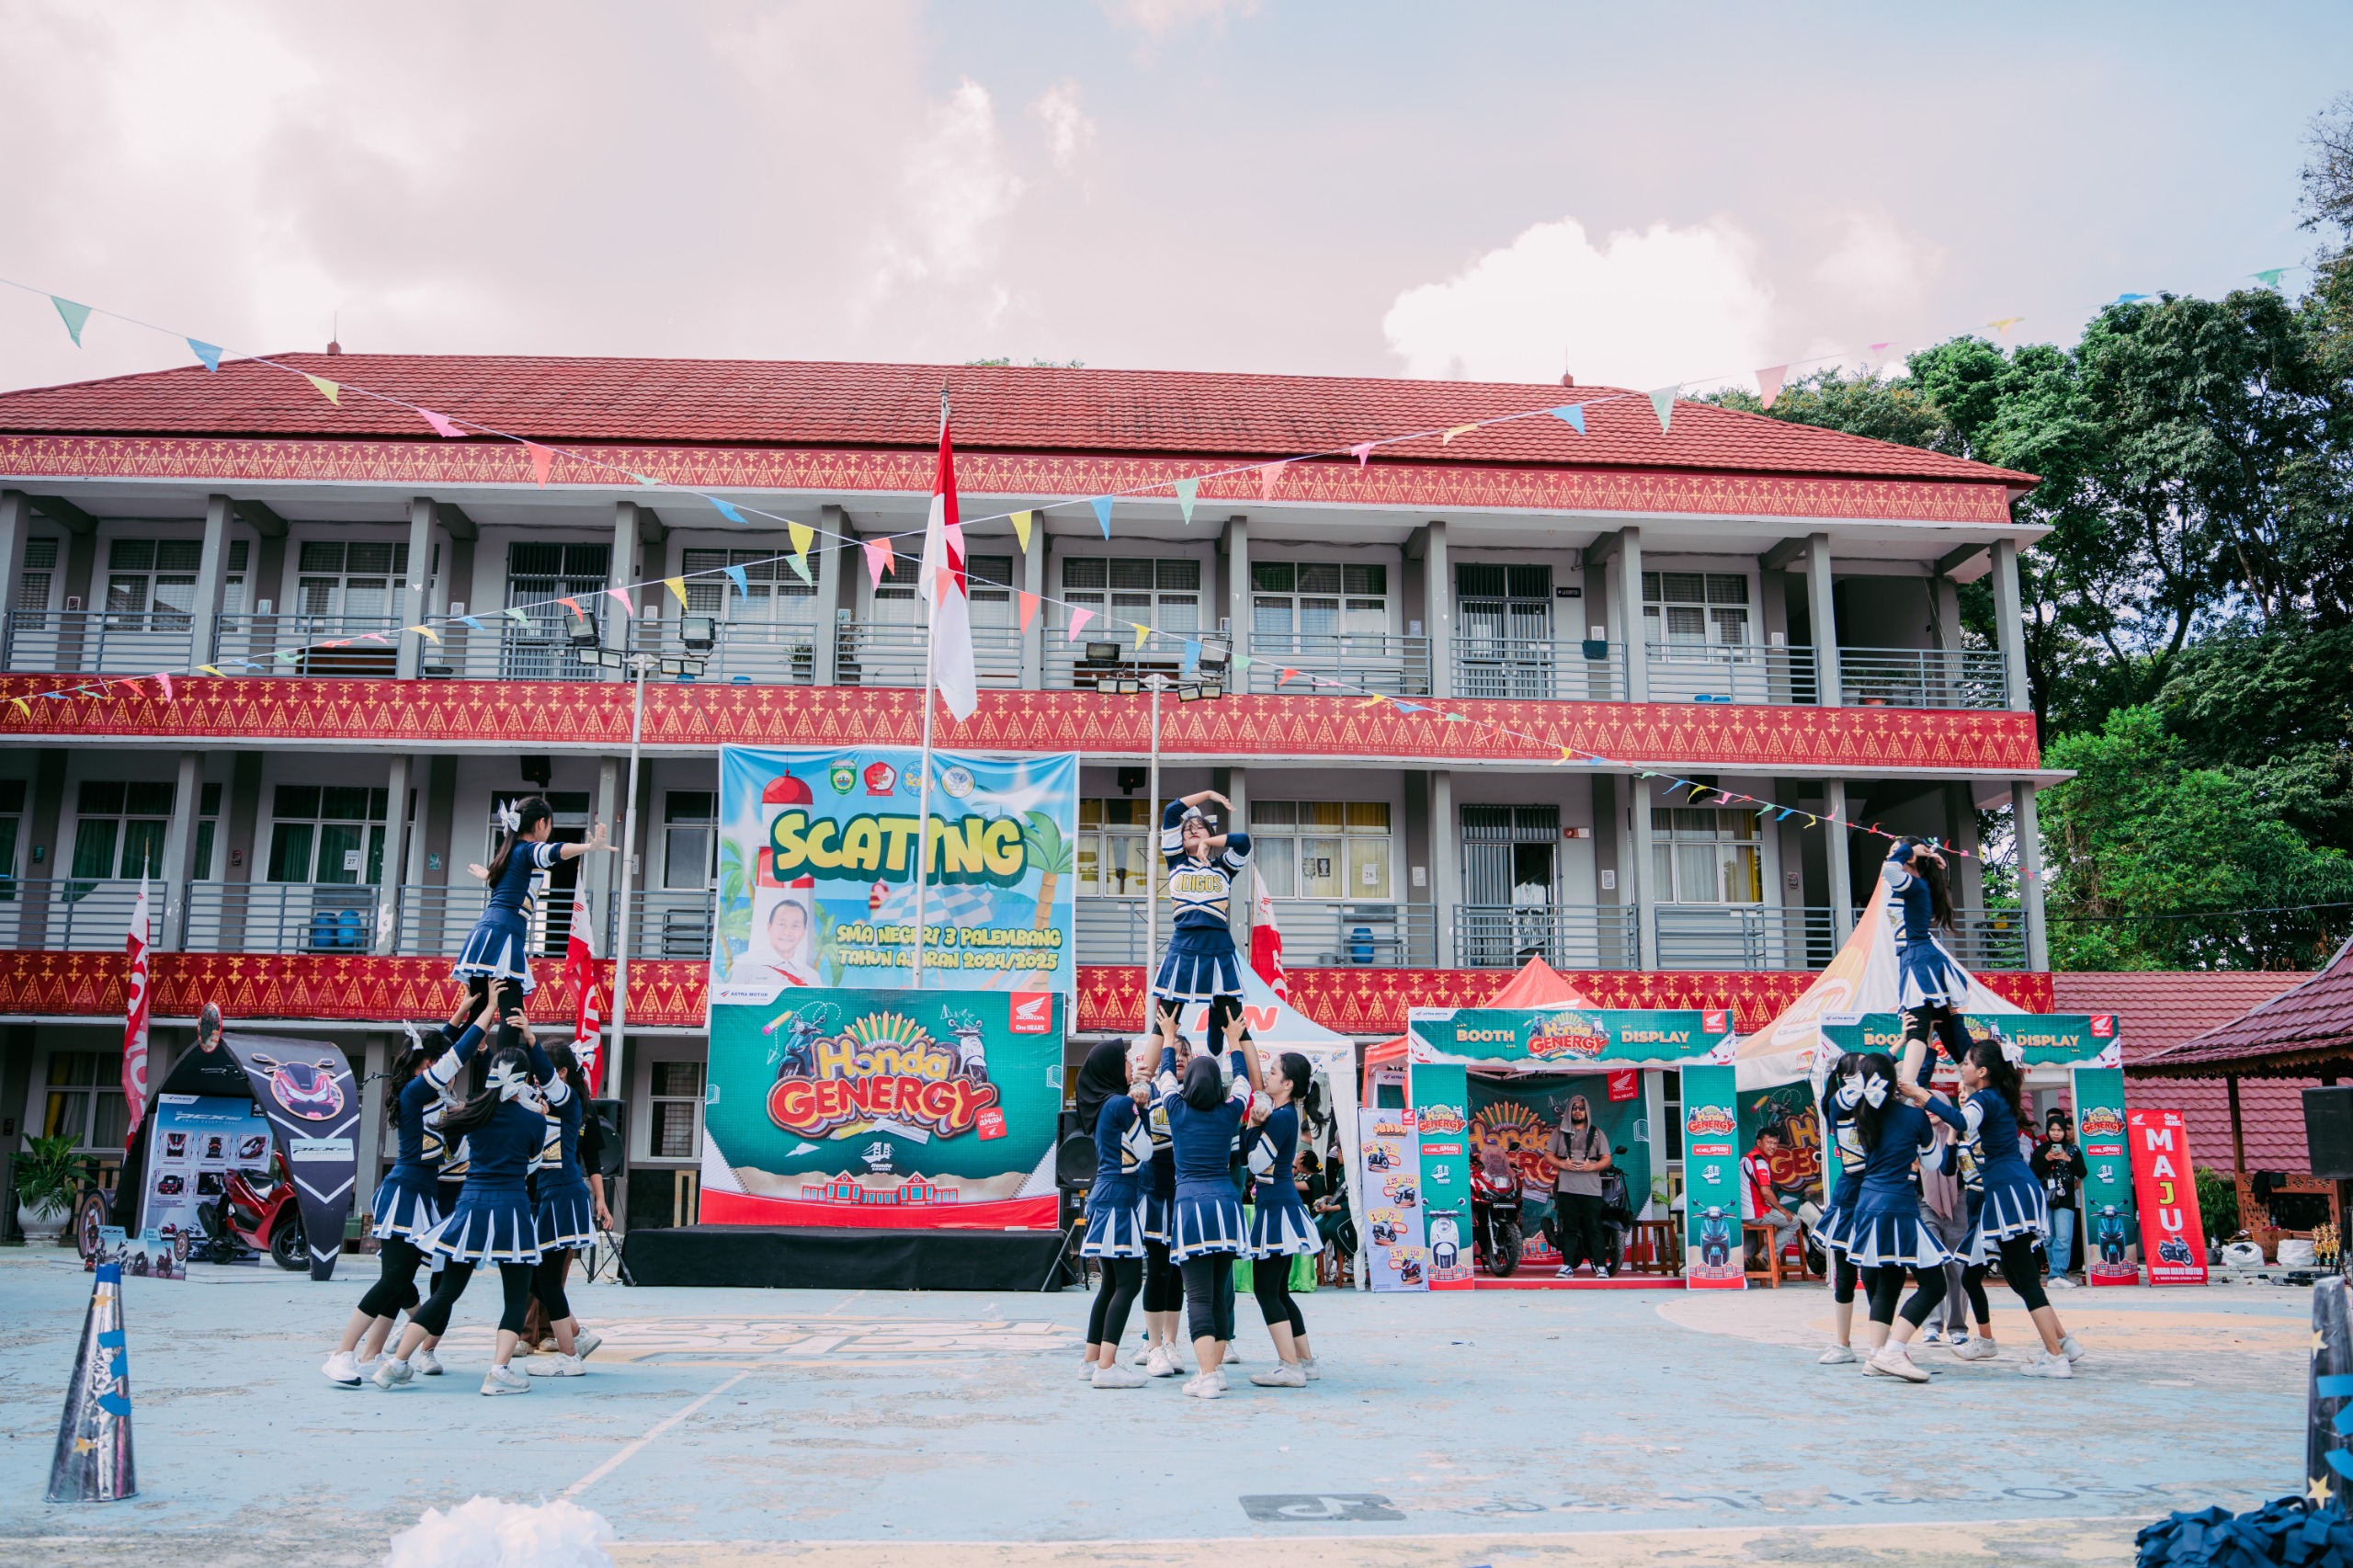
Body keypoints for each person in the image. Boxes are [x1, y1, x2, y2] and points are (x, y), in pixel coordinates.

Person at [373, 1028, 564, 1396]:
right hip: (511, 1210)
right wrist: (536, 1109)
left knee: (446, 1292)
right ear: (524, 1080)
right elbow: (534, 1165)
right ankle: (498, 1372)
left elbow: (444, 1139)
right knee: (514, 1295)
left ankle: (395, 1363)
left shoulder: (470, 1111)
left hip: (470, 1206)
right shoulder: (535, 1120)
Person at [322, 987, 494, 1387]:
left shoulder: (426, 1091)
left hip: (421, 1196)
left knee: (399, 1279)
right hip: (405, 1195)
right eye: (436, 1064)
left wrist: (462, 1013)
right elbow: (454, 1055)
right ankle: (342, 1353)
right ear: (425, 1066)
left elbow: (445, 1049)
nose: (446, 1071)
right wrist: (488, 1014)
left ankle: (381, 1349)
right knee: (394, 1280)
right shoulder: (417, 1093)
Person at [1951, 1040, 2086, 1378]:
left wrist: (1922, 1097)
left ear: (1982, 1073)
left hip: (2007, 1195)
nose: (1961, 1068)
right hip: (2011, 1192)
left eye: (1966, 1063)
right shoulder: (1995, 1097)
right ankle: (2063, 1343)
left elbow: (1959, 1120)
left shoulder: (1984, 1099)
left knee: (2025, 1280)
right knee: (2016, 1275)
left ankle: (2055, 1357)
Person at [1154, 1035, 1265, 1400]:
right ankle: (1213, 1371)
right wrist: (1235, 1041)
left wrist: (1168, 1039)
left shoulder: (1177, 1110)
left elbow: (1166, 1075)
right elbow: (1245, 1080)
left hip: (1190, 1206)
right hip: (1226, 1205)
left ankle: (1205, 1376)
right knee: (1217, 1293)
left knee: (1198, 1297)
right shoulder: (1230, 1111)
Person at [1847, 1053, 1966, 1383]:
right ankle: (1893, 1351)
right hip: (1899, 1204)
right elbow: (1933, 1164)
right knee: (1934, 1284)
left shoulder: (1859, 1116)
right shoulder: (1914, 1118)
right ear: (1894, 1082)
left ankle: (1875, 1355)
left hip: (1867, 1205)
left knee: (1888, 1281)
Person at [454, 797, 612, 1003]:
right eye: (550, 824)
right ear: (541, 823)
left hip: (490, 930)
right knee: (513, 1017)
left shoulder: (510, 852)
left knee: (480, 1013)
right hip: (504, 932)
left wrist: (490, 877)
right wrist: (589, 847)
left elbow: (509, 882)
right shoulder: (527, 850)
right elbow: (554, 851)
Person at [523, 1037, 605, 1378]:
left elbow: (592, 1158)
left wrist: (531, 1041)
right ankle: (575, 1334)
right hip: (546, 1194)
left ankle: (569, 1354)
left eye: (541, 1074)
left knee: (547, 1276)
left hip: (562, 1194)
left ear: (560, 1073)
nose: (536, 1080)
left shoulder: (569, 1102)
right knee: (533, 1274)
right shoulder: (541, 1103)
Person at [1074, 1040, 1153, 1390]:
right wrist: (1142, 1108)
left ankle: (1091, 1361)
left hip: (1104, 1194)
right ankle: (1106, 1366)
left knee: (1110, 1284)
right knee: (1129, 1282)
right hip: (1119, 1197)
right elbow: (1146, 1149)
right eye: (1124, 1060)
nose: (1130, 1065)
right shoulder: (1121, 1104)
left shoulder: (1104, 1105)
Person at [1152, 790, 1253, 1062]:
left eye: (1200, 829)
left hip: (1218, 946)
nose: (1193, 831)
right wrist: (1209, 794)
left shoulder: (1224, 868)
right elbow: (1172, 811)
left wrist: (1209, 842)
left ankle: (1256, 1089)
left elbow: (1243, 842)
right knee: (1165, 1017)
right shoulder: (1176, 861)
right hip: (1183, 943)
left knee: (1233, 1017)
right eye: (1188, 831)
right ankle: (1143, 1078)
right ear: (1180, 842)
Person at [1243, 1052, 1324, 1387]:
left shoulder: (1280, 1118)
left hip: (1277, 1207)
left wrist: (1251, 1127)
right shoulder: (1286, 1114)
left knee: (1266, 1290)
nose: (1268, 1075)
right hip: (1280, 1204)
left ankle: (1289, 1366)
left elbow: (1254, 1162)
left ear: (1288, 1083)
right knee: (1278, 1290)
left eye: (1273, 1072)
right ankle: (1304, 1361)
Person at [1884, 838, 1973, 1099]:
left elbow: (1888, 869)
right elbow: (1889, 869)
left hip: (1920, 959)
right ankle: (1975, 1078)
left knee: (1917, 1026)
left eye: (1896, 850)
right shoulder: (1913, 885)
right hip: (1916, 956)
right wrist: (1914, 853)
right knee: (1946, 1026)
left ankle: (1908, 1085)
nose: (1892, 855)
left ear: (1910, 857)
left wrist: (1911, 851)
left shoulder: (1913, 886)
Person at [1813, 1054, 1871, 1364]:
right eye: (1860, 1069)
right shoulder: (1840, 1105)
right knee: (1846, 1274)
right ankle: (1843, 1344)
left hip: (1878, 1194)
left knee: (1878, 1273)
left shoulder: (1873, 1105)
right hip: (1852, 1194)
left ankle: (1882, 1346)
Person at [1548, 1096, 1612, 1279]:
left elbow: (1607, 1158)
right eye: (1574, 1108)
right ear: (1569, 1111)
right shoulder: (1559, 1133)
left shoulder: (1597, 1133)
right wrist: (1563, 1165)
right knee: (1568, 1228)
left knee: (1595, 1227)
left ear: (1587, 1111)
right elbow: (1548, 1154)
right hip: (1567, 1188)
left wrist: (1592, 1167)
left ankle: (1601, 1266)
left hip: (1591, 1189)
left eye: (1581, 1108)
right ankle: (1567, 1266)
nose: (1577, 1111)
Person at [2032, 1110, 2086, 1288]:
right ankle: (2054, 1275)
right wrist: (2047, 1160)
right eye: (2053, 1130)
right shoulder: (2041, 1150)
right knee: (2048, 1238)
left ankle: (2058, 1275)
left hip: (2066, 1199)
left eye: (2060, 1130)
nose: (2056, 1133)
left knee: (2063, 1237)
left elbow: (2082, 1172)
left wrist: (2068, 1159)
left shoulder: (2073, 1150)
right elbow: (2032, 1173)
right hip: (2045, 1199)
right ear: (2048, 1131)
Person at [1741, 1128, 1802, 1272]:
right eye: (1769, 1142)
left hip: (1743, 1212)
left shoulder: (1746, 1158)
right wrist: (1782, 1209)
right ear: (1759, 1142)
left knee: (1758, 1226)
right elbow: (1766, 1191)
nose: (1773, 1146)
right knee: (1794, 1221)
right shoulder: (1759, 1161)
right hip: (1755, 1212)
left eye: (1775, 1143)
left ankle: (1746, 1256)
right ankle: (1766, 1256)